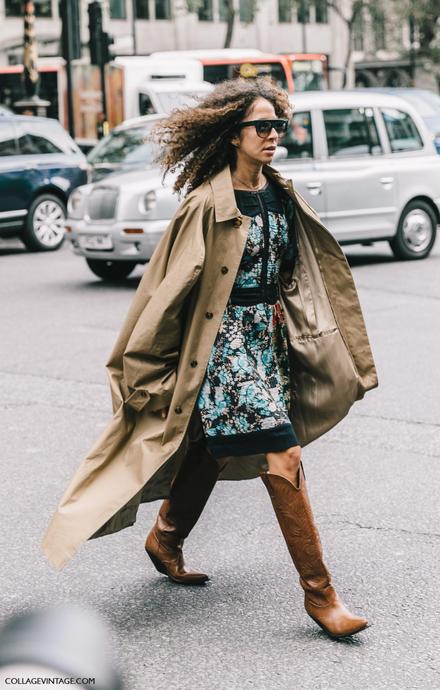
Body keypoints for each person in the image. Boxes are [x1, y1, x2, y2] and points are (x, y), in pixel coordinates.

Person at [41, 77, 378, 641]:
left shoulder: (279, 191)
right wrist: (146, 366)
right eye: (260, 127)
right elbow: (165, 292)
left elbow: (294, 269)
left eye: (277, 126)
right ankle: (322, 597)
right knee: (283, 452)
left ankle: (166, 535)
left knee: (212, 447)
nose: (273, 135)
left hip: (266, 341)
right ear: (231, 135)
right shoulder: (205, 204)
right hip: (220, 347)